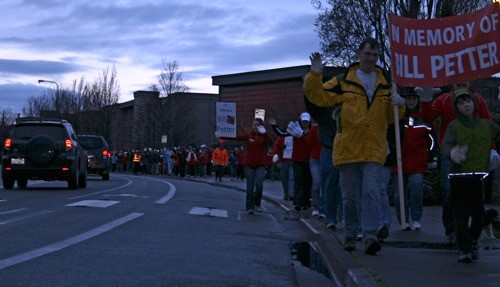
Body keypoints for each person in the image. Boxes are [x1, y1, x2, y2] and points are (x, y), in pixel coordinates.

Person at [304, 37, 406, 255]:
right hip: (349, 148)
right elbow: (318, 96)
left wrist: (400, 105)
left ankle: (370, 236)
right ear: (358, 54)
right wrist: (315, 75)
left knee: (371, 191)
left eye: (375, 55)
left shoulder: (386, 85)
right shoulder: (344, 81)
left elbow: (390, 118)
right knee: (350, 196)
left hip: (374, 147)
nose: (371, 58)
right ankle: (350, 234)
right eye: (367, 53)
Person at [418, 82, 493, 244]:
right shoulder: (444, 99)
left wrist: (492, 149)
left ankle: (471, 233)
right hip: (450, 154)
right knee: (450, 190)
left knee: (475, 193)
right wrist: (425, 101)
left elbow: (488, 125)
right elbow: (427, 117)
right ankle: (453, 229)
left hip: (474, 155)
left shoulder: (477, 99)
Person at [441, 88, 500, 263]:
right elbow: (445, 147)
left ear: (474, 103)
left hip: (477, 177)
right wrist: (453, 152)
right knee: (461, 216)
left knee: (479, 215)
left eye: (468, 101)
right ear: (456, 108)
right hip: (459, 177)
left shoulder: (486, 125)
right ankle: (465, 249)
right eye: (460, 103)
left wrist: (493, 153)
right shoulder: (454, 126)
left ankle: (472, 240)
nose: (465, 105)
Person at [391, 87, 438, 231]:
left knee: (416, 187)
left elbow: (432, 139)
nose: (411, 101)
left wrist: (432, 157)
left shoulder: (423, 117)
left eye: (414, 98)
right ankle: (403, 220)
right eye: (409, 98)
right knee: (399, 194)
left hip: (417, 162)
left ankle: (416, 218)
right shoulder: (396, 115)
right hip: (398, 162)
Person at [217, 117, 274, 214]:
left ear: (261, 126)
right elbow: (236, 137)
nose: (255, 126)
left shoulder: (264, 136)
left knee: (259, 185)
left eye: (258, 125)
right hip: (248, 164)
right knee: (250, 186)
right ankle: (250, 207)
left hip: (260, 164)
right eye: (254, 125)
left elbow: (271, 142)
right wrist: (222, 136)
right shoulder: (248, 136)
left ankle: (257, 203)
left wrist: (265, 133)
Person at [304, 96, 343, 229]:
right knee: (329, 184)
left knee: (343, 186)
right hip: (329, 149)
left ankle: (343, 218)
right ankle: (330, 217)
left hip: (346, 149)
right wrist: (307, 91)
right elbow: (312, 107)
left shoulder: (348, 107)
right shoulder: (324, 112)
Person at [271, 113, 313, 212]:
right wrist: (274, 126)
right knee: (298, 180)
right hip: (297, 159)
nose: (305, 123)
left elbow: (311, 144)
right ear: (300, 121)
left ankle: (306, 202)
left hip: (309, 160)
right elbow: (282, 134)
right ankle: (297, 203)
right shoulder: (295, 130)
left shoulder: (312, 132)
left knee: (308, 181)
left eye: (307, 122)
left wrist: (302, 135)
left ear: (309, 121)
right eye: (303, 121)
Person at [271, 135, 294, 200]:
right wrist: (280, 149)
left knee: (292, 177)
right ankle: (286, 193)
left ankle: (291, 194)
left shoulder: (295, 137)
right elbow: (276, 147)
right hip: (284, 160)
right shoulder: (281, 138)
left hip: (293, 160)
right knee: (284, 177)